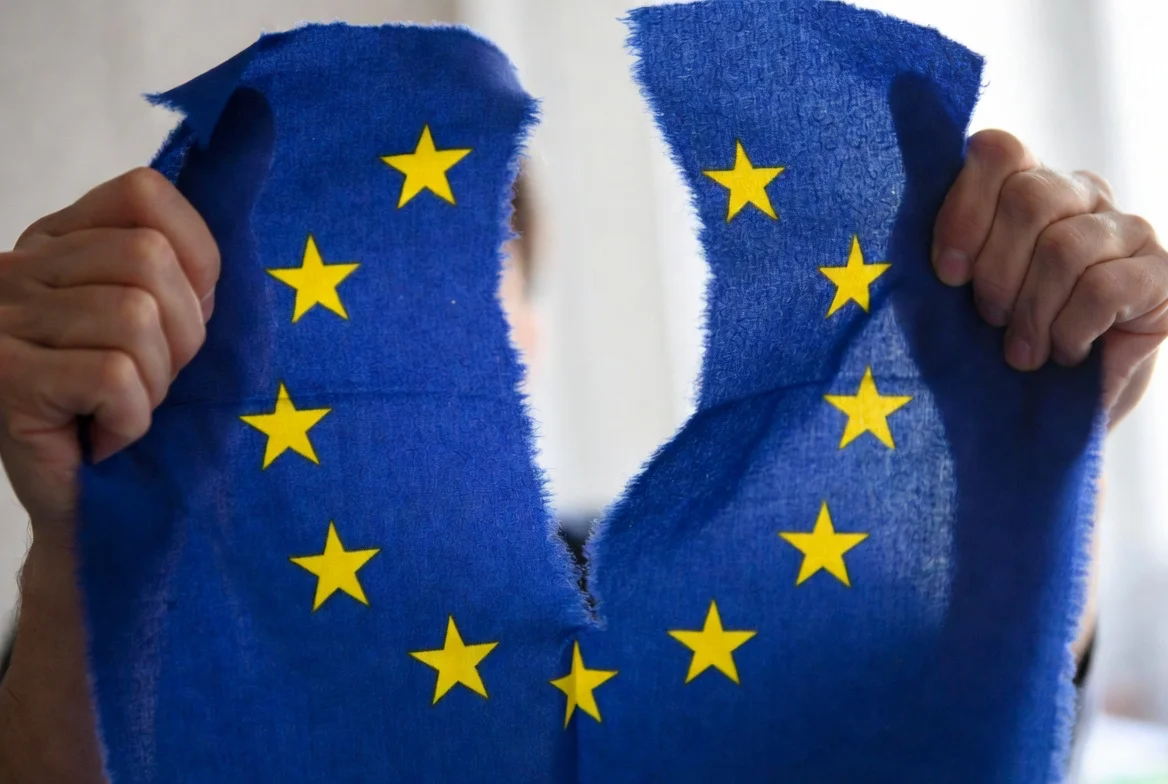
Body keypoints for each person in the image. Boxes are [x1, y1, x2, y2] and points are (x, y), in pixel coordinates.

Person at [0, 129, 1163, 781]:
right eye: (322, 303)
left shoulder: (668, 605)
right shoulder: (127, 634)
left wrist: (1033, 479)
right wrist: (78, 554)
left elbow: (939, 738)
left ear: (529, 339)